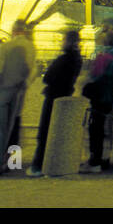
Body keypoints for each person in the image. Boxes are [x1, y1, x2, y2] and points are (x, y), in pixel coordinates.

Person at [0, 19, 35, 175]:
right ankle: (13, 162)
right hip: (19, 92)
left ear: (14, 30)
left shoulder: (6, 47)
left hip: (2, 91)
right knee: (14, 128)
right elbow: (33, 71)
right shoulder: (31, 47)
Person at [30, 29, 82, 177]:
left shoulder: (64, 59)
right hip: (63, 96)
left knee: (45, 133)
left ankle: (37, 165)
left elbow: (47, 77)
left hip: (53, 97)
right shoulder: (77, 59)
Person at [82, 25, 113, 173]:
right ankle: (106, 157)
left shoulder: (103, 56)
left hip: (99, 95)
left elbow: (94, 76)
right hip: (111, 95)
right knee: (108, 128)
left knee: (95, 129)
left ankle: (95, 161)